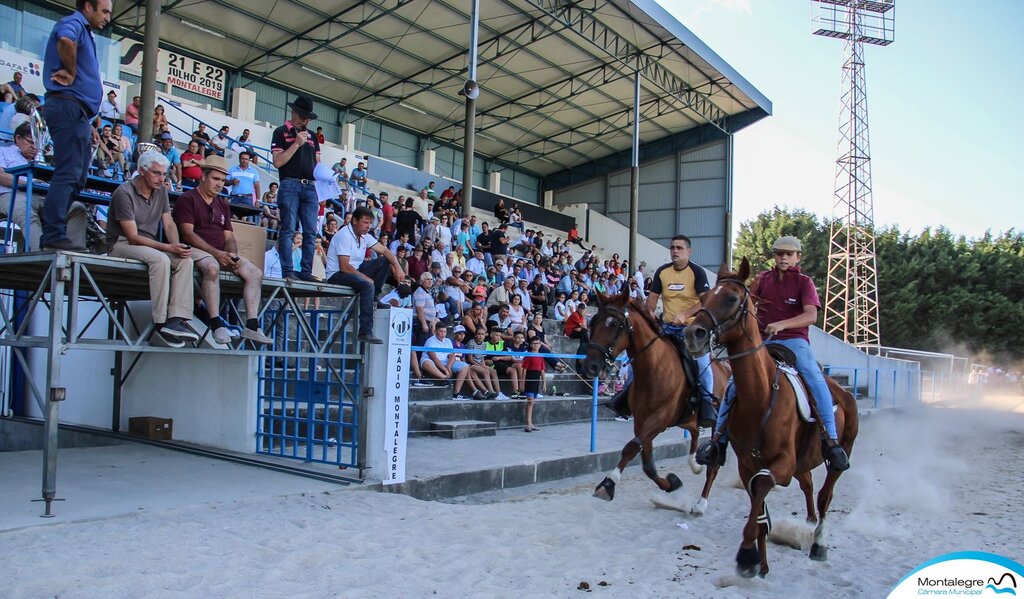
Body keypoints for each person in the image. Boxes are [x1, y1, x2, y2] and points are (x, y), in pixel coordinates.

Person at [696, 236, 851, 473]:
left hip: (794, 341)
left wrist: (782, 325)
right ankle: (718, 441)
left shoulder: (804, 282)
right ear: (774, 256)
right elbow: (746, 304)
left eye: (789, 254)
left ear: (798, 257)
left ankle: (830, 442)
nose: (784, 258)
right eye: (779, 253)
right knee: (734, 385)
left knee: (813, 376)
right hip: (763, 342)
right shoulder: (762, 280)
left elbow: (811, 315)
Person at [610, 235, 716, 426]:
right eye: (672, 248)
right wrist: (649, 314)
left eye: (679, 248)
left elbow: (705, 301)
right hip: (667, 326)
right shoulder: (662, 272)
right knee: (640, 355)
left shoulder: (697, 272)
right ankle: (627, 397)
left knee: (702, 363)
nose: (675, 251)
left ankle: (707, 403)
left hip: (692, 328)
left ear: (689, 252)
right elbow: (652, 300)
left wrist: (685, 314)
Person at [172, 155, 273, 346]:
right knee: (211, 267)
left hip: (219, 252)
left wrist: (232, 254)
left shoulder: (222, 204)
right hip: (194, 250)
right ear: (203, 176)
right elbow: (187, 234)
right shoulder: (188, 199)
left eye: (222, 180)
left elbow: (229, 236)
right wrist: (217, 254)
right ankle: (216, 322)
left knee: (255, 272)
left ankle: (252, 324)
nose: (220, 184)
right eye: (215, 179)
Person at [106, 151, 198, 347]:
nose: (161, 178)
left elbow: (169, 223)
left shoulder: (161, 191)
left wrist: (176, 247)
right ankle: (160, 320)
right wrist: (167, 247)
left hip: (149, 244)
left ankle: (176, 319)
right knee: (161, 260)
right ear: (141, 171)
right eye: (156, 173)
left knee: (185, 260)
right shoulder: (124, 193)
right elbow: (132, 236)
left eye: (163, 174)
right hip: (121, 244)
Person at [40, 0, 110, 251]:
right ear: (88, 6)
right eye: (104, 11)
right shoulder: (74, 22)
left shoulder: (84, 29)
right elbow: (65, 41)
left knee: (78, 177)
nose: (107, 18)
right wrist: (69, 71)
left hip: (78, 112)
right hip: (68, 105)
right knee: (69, 172)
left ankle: (54, 228)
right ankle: (53, 232)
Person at [0, 123, 88, 251]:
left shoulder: (42, 159)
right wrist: (29, 184)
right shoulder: (3, 151)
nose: (34, 147)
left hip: (41, 195)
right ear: (18, 138)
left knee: (76, 208)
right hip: (12, 195)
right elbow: (1, 176)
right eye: (31, 142)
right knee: (27, 213)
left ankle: (73, 255)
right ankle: (43, 254)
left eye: (37, 144)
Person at [324, 205, 404, 344]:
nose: (368, 226)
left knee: (385, 261)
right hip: (337, 274)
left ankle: (374, 298)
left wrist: (398, 267)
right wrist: (366, 278)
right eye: (365, 222)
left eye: (370, 223)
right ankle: (365, 331)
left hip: (354, 269)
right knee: (367, 285)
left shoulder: (364, 236)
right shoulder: (344, 235)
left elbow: (385, 251)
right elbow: (344, 266)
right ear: (354, 221)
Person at [272, 95, 321, 282]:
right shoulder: (281, 132)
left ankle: (306, 272)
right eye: (302, 116)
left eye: (307, 117)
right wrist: (296, 144)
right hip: (289, 183)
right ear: (293, 112)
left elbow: (317, 163)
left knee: (311, 232)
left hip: (310, 186)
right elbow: (278, 162)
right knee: (288, 229)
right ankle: (288, 271)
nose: (305, 120)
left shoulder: (313, 137)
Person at [521, 336, 546, 431]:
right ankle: (528, 424)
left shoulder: (541, 356)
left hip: (537, 379)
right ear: (531, 345)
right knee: (530, 401)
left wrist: (544, 383)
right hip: (529, 378)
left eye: (538, 343)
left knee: (532, 402)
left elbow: (542, 370)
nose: (536, 345)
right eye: (534, 343)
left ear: (540, 344)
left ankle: (531, 423)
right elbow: (524, 370)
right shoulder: (529, 355)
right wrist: (522, 383)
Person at [563, 302, 589, 368]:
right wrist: (586, 329)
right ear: (578, 308)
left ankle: (584, 346)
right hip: (570, 331)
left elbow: (582, 326)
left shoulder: (581, 316)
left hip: (576, 330)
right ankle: (584, 346)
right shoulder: (575, 314)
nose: (582, 310)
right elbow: (582, 325)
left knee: (584, 332)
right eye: (581, 309)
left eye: (583, 309)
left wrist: (581, 328)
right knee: (584, 331)